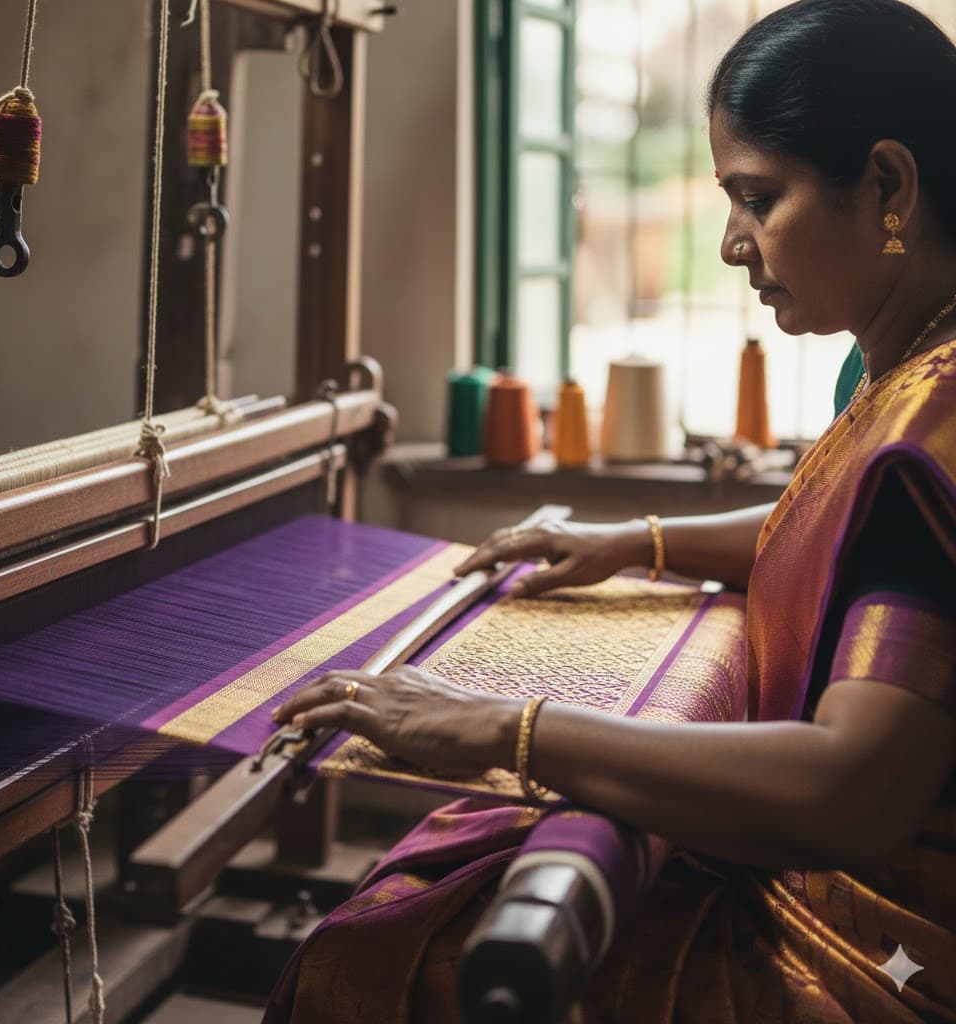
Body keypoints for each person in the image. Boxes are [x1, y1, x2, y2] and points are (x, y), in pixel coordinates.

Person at [266, 1, 956, 1019]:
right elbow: (841, 537)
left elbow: (850, 793)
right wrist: (634, 541)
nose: (732, 244)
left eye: (758, 198)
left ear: (887, 185)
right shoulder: (899, 364)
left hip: (898, 949)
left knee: (396, 947)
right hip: (858, 895)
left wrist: (507, 728)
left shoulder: (939, 414)